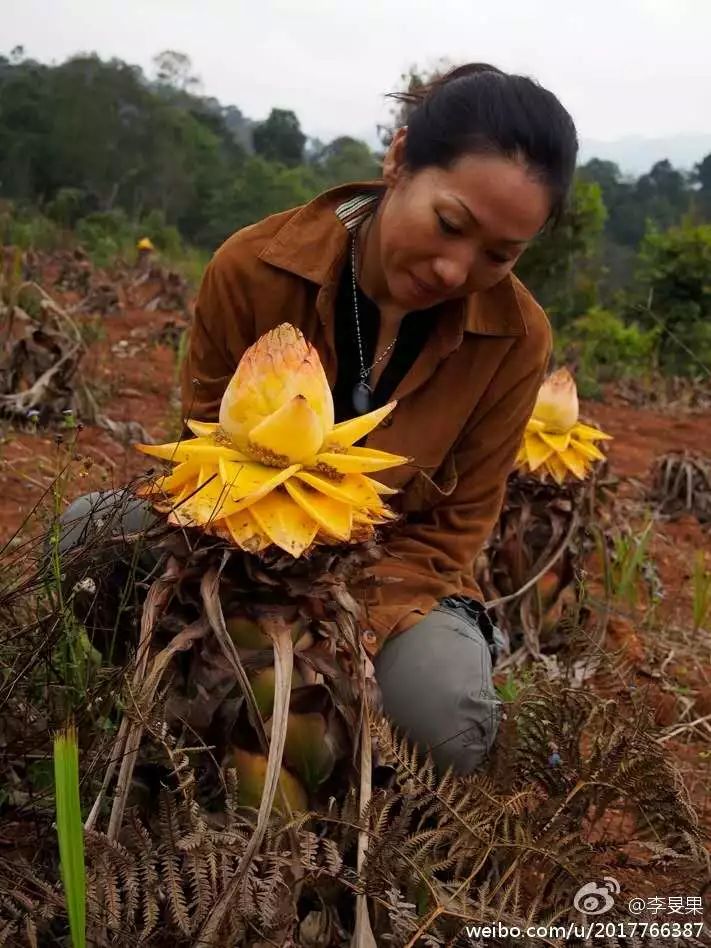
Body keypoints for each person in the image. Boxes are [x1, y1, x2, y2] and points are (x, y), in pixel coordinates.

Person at [60, 63, 578, 775]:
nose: (455, 271)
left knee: (445, 724)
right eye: (449, 225)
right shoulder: (253, 269)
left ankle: (329, 761)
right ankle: (181, 719)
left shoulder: (516, 339)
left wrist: (332, 622)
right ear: (399, 159)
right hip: (235, 554)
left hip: (390, 588)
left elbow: (454, 529)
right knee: (88, 535)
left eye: (499, 255)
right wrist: (254, 607)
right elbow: (208, 459)